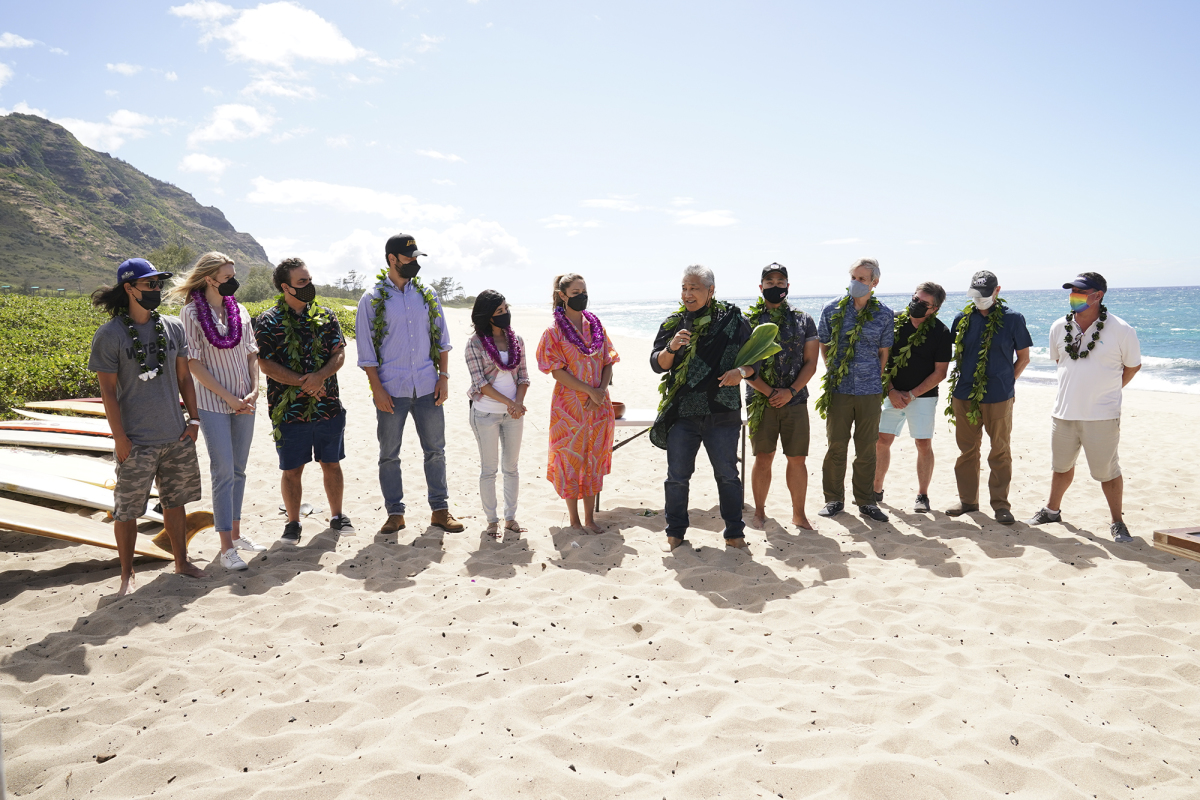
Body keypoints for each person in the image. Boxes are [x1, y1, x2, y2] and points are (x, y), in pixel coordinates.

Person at [89, 258, 206, 596]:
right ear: (129, 288)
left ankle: (181, 562)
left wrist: (194, 420)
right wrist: (120, 438)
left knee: (176, 502)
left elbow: (184, 376)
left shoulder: (173, 327)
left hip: (176, 434)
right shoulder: (109, 335)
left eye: (158, 284)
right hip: (136, 440)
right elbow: (107, 392)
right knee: (127, 510)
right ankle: (127, 574)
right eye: (149, 284)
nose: (157, 290)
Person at [356, 233, 464, 534]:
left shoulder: (427, 294)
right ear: (392, 259)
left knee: (436, 451)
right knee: (389, 454)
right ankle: (395, 514)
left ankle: (440, 511)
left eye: (417, 257)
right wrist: (377, 389)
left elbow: (442, 340)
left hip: (429, 386)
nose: (415, 262)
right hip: (392, 389)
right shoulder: (372, 298)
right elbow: (366, 351)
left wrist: (444, 377)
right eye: (409, 257)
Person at [1027, 273, 1141, 542]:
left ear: (1098, 295)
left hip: (1102, 415)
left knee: (1107, 472)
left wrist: (1108, 391)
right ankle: (1052, 510)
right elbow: (1061, 364)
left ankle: (1117, 522)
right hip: (1064, 411)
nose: (1073, 296)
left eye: (1080, 291)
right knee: (1061, 467)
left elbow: (1132, 366)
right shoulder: (1058, 326)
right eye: (1071, 291)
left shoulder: (1122, 330)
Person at [171, 251, 267, 570]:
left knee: (239, 470)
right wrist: (228, 398)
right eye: (227, 277)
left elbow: (252, 354)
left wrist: (253, 391)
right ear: (210, 279)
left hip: (246, 402)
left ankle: (237, 535)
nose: (233, 282)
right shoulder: (191, 314)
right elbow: (194, 364)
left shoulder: (239, 310)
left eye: (233, 275)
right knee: (223, 470)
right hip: (214, 404)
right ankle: (226, 548)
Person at [650, 265, 755, 550]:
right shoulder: (675, 323)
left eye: (694, 288)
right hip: (682, 413)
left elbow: (758, 359)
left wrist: (741, 373)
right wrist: (672, 348)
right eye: (684, 287)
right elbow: (656, 364)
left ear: (711, 291)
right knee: (677, 477)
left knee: (727, 475)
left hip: (722, 411)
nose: (687, 293)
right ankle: (675, 534)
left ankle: (734, 533)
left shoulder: (733, 321)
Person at [256, 257, 352, 543]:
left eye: (309, 280)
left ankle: (337, 515)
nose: (309, 286)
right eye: (302, 282)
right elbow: (266, 364)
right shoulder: (268, 320)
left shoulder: (327, 315)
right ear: (286, 287)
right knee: (292, 469)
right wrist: (306, 382)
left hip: (328, 405)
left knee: (332, 462)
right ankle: (294, 522)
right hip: (289, 411)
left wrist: (320, 376)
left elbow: (339, 353)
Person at [945, 270, 1032, 525]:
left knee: (1000, 451)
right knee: (967, 451)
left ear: (997, 291)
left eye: (984, 294)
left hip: (999, 396)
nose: (980, 299)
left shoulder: (1013, 319)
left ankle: (1001, 505)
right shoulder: (962, 319)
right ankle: (968, 501)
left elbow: (1024, 358)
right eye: (976, 294)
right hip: (964, 395)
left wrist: (1006, 381)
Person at [536, 273, 619, 533]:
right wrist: (588, 391)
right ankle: (573, 520)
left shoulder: (596, 326)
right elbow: (556, 370)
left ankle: (590, 519)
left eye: (584, 291)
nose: (582, 296)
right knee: (570, 460)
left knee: (592, 459)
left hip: (598, 405)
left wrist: (601, 392)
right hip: (569, 408)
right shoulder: (554, 332)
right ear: (563, 296)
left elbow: (608, 361)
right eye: (575, 292)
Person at [815, 258, 894, 522]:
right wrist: (833, 372)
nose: (856, 283)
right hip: (839, 389)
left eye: (862, 279)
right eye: (853, 277)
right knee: (836, 445)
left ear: (875, 282)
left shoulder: (884, 314)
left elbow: (884, 352)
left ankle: (866, 501)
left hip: (870, 391)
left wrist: (875, 377)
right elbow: (823, 346)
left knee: (867, 447)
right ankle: (834, 499)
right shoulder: (831, 309)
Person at [743, 263, 819, 530]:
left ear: (788, 285)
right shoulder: (749, 321)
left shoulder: (803, 319)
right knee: (763, 457)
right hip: (760, 401)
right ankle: (759, 512)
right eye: (769, 281)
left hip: (795, 400)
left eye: (780, 281)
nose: (775, 286)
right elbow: (744, 365)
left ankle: (799, 514)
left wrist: (790, 391)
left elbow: (811, 362)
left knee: (797, 459)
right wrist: (770, 392)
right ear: (761, 286)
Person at [873, 281, 953, 513]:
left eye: (924, 303)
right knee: (882, 440)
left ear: (934, 309)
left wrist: (910, 394)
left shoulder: (941, 332)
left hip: (924, 397)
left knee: (923, 443)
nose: (916, 304)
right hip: (892, 392)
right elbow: (881, 359)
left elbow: (941, 372)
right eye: (915, 299)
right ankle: (876, 489)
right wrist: (890, 391)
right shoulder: (894, 322)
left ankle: (922, 495)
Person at [465, 290, 530, 539]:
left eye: (506, 309)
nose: (505, 314)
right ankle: (492, 521)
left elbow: (523, 376)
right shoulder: (475, 343)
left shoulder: (517, 340)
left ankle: (510, 518)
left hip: (514, 414)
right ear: (487, 316)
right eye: (499, 311)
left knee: (511, 467)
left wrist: (518, 402)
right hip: (486, 414)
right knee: (489, 469)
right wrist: (509, 403)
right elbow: (481, 384)